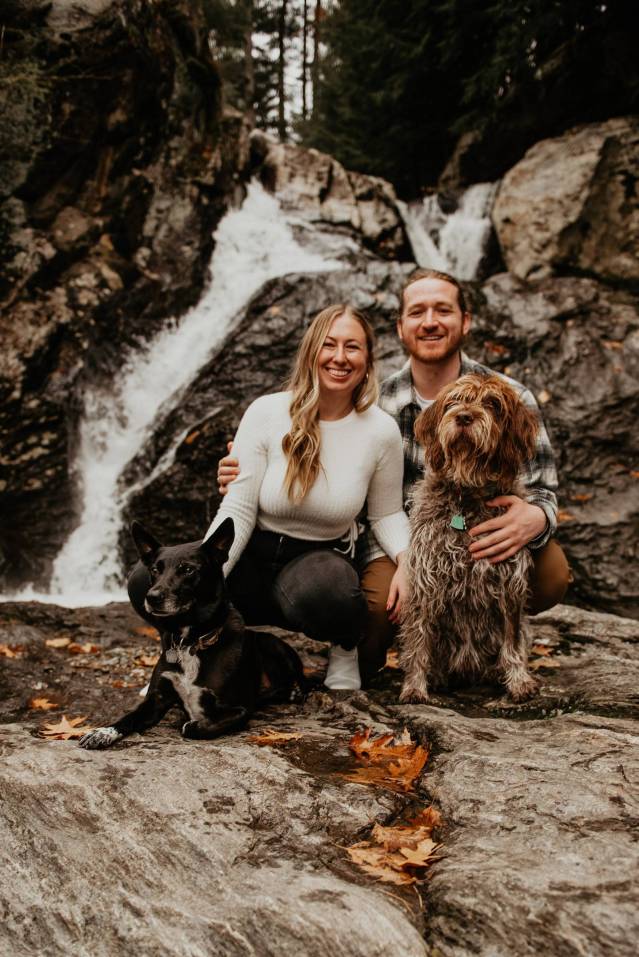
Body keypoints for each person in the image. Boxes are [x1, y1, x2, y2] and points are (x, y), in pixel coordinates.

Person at [218, 269, 571, 685]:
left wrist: (537, 517)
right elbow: (337, 459)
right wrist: (251, 469)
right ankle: (400, 651)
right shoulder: (375, 403)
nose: (430, 321)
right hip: (401, 535)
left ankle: (488, 642)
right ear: (400, 327)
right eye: (417, 311)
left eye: (443, 310)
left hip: (490, 520)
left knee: (550, 574)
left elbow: (544, 486)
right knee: (375, 621)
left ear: (466, 321)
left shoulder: (510, 396)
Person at [131, 303, 410, 691]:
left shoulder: (380, 430)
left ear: (368, 359)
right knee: (148, 577)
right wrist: (205, 575)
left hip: (316, 561)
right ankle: (178, 659)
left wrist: (407, 561)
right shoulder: (266, 412)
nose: (340, 358)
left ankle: (344, 648)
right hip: (249, 555)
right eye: (329, 345)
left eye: (353, 347)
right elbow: (239, 509)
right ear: (311, 350)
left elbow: (386, 514)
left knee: (331, 591)